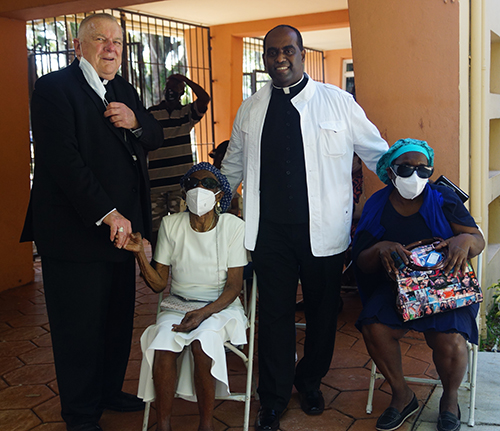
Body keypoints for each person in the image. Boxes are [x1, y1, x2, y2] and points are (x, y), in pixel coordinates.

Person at [221, 24, 389, 430]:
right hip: (269, 234)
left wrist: (414, 181)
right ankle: (273, 399)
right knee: (274, 316)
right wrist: (207, 203)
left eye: (288, 51)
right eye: (271, 53)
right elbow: (231, 168)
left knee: (321, 313)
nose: (280, 59)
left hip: (324, 233)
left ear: (301, 54)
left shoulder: (338, 103)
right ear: (263, 59)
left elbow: (378, 153)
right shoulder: (251, 109)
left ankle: (310, 380)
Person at [20, 13, 163, 431]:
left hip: (123, 237)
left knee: (117, 321)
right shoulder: (53, 89)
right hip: (75, 234)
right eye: (100, 39)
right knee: (78, 329)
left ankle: (108, 391)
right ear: (78, 45)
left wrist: (136, 122)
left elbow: (154, 135)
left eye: (117, 41)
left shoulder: (123, 89)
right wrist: (109, 212)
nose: (111, 47)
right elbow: (63, 162)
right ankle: (81, 413)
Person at [352, 139, 484, 431]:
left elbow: (477, 239)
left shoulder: (443, 199)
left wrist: (464, 240)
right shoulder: (377, 206)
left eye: (424, 170)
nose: (416, 176)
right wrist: (380, 248)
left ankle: (449, 399)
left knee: (448, 337)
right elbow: (361, 260)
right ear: (390, 170)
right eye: (406, 168)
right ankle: (402, 395)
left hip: (444, 286)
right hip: (399, 288)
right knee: (374, 326)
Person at [124, 162, 248, 431]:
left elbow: (233, 288)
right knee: (163, 345)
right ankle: (164, 425)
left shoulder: (233, 226)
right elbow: (158, 285)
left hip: (220, 306)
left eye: (209, 184)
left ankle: (206, 425)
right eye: (193, 184)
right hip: (178, 303)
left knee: (202, 345)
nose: (199, 189)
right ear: (183, 193)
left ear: (220, 195)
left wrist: (203, 314)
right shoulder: (171, 225)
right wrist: (139, 256)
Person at [147, 74, 211, 246]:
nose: (171, 89)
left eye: (176, 86)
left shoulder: (187, 114)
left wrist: (187, 80)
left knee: (182, 226)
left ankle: (179, 262)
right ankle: (157, 264)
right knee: (156, 229)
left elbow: (205, 98)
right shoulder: (151, 114)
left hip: (179, 184)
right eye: (169, 86)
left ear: (183, 91)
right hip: (156, 183)